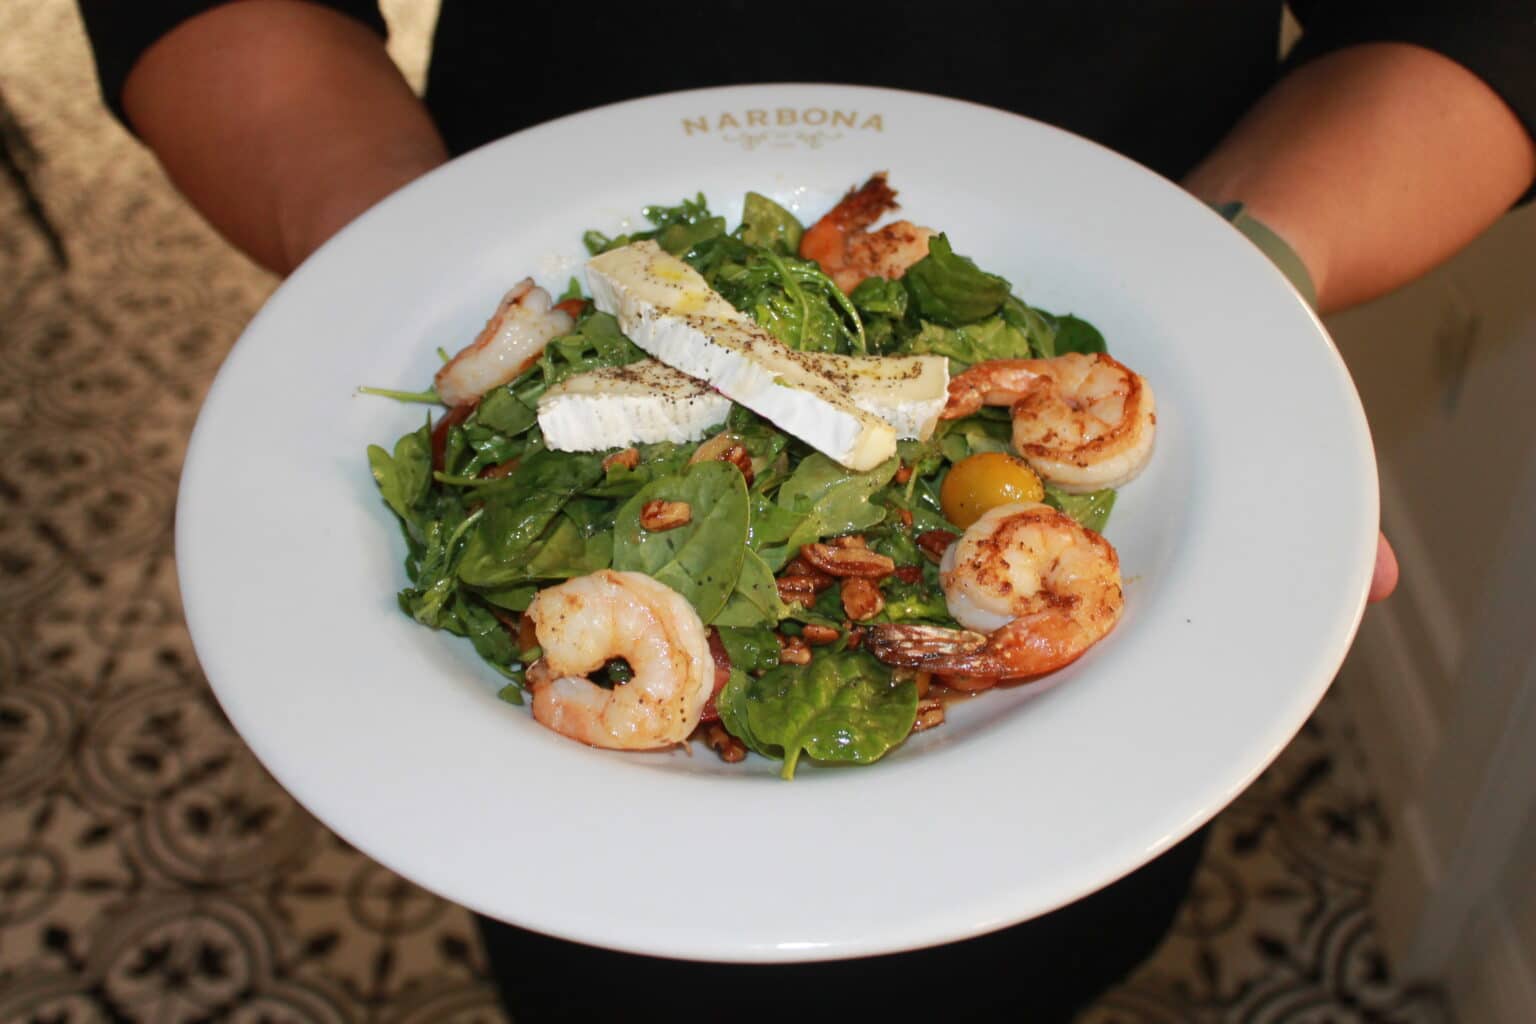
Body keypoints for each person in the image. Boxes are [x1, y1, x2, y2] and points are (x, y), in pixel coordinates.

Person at [75, 2, 1534, 1019]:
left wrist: (1237, 286)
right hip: (583, 841)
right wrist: (391, 259)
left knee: (1024, 975)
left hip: (1141, 176)